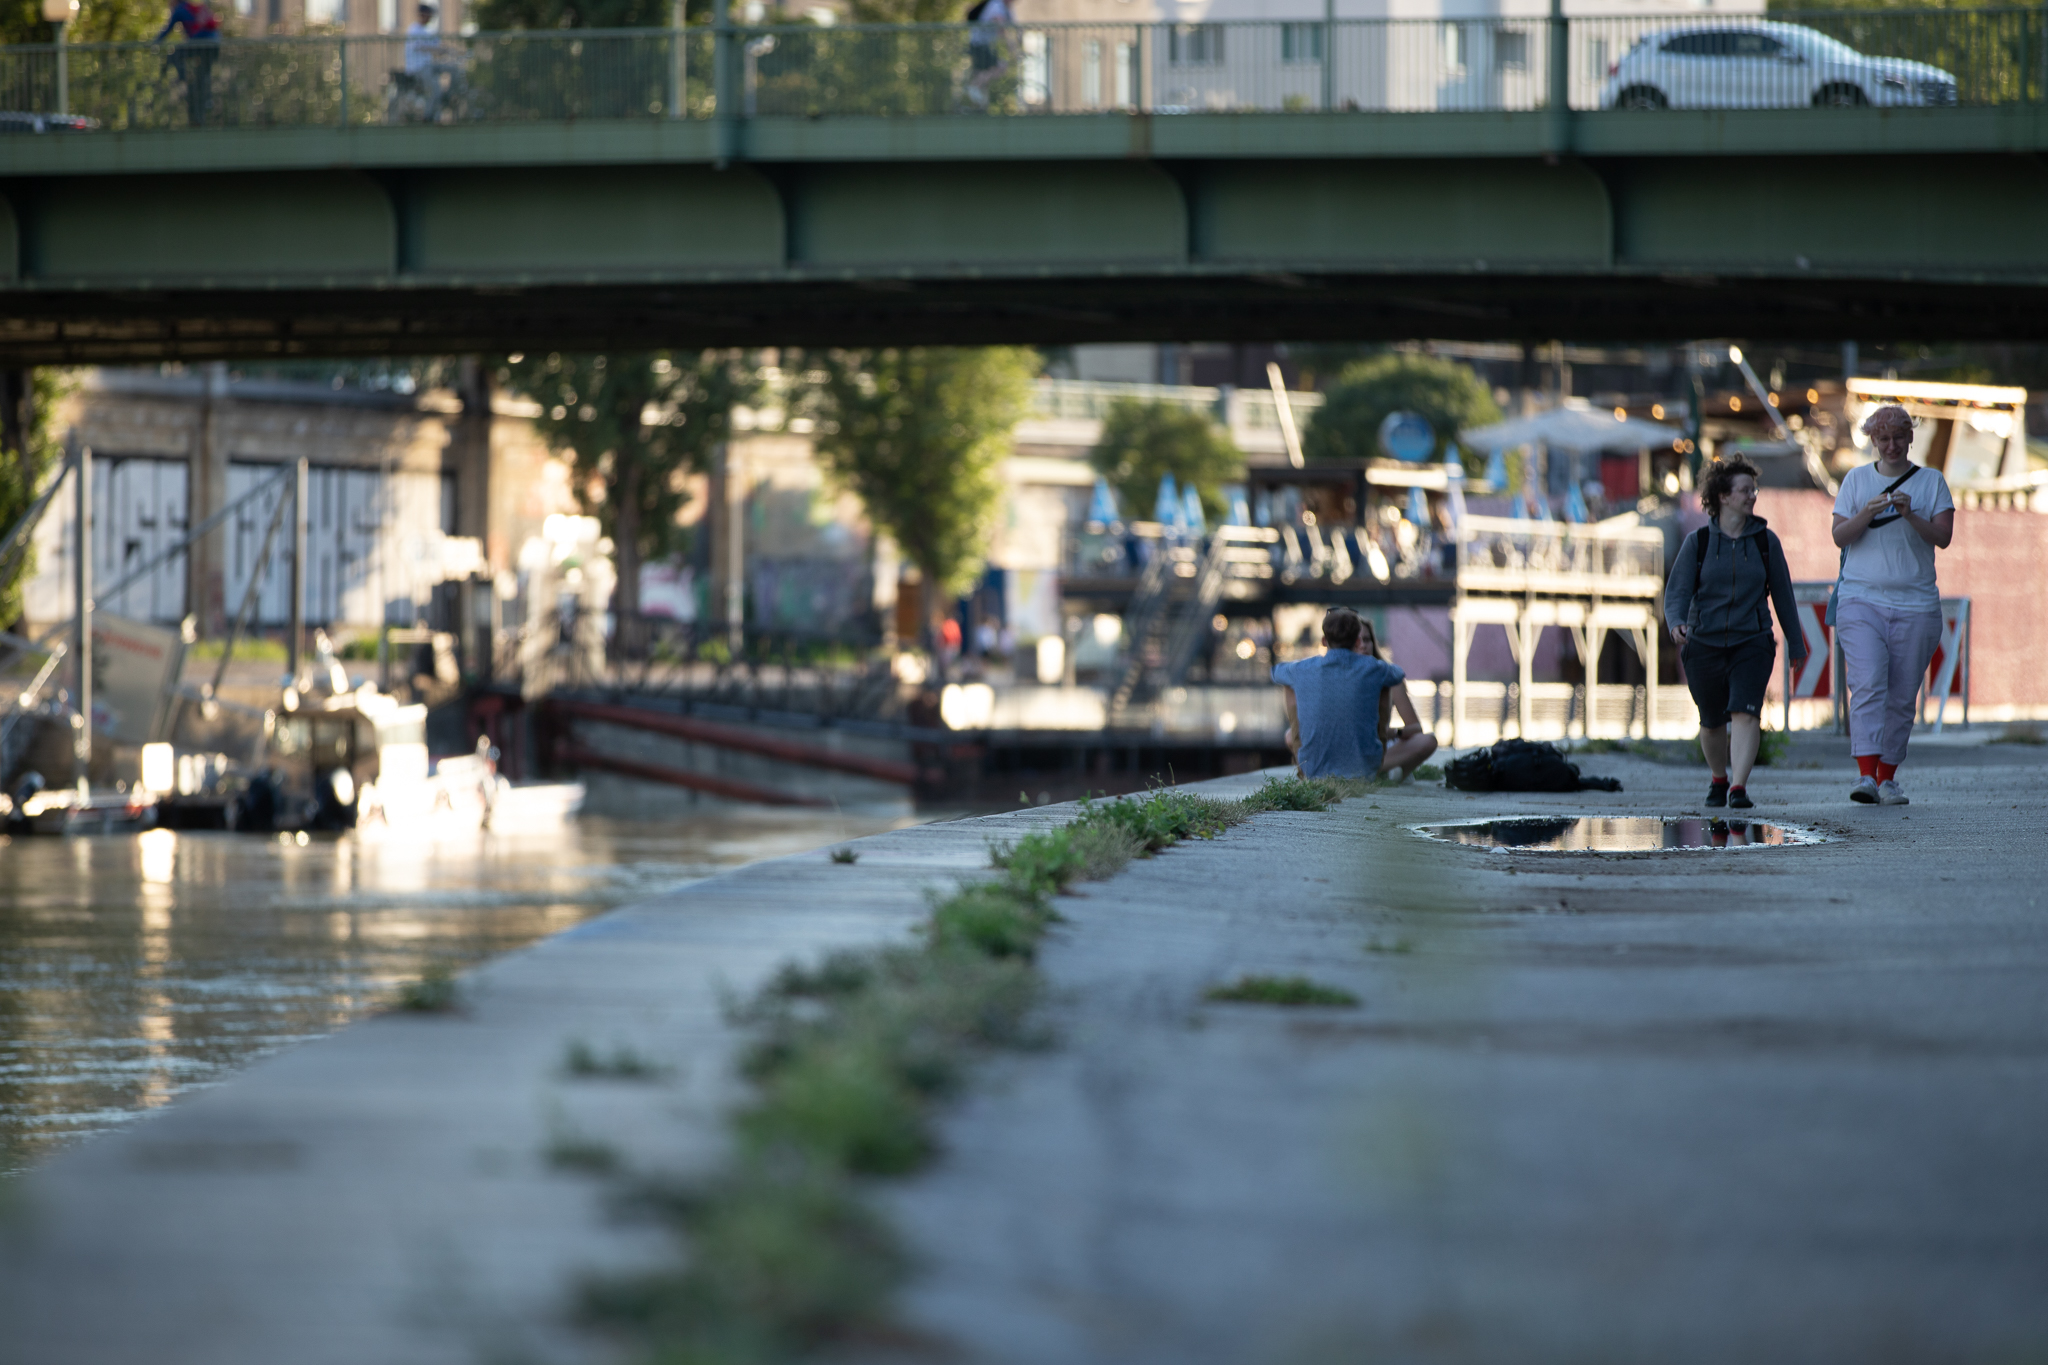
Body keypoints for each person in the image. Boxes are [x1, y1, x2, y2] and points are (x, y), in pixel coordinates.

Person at [1664, 455, 1807, 810]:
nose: (1752, 496)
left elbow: (1784, 595)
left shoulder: (1765, 542)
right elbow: (1678, 590)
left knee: (1746, 712)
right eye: (1745, 490)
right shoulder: (1697, 543)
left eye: (1753, 489)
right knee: (1712, 721)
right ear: (1723, 496)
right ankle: (1719, 778)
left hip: (1752, 641)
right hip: (1704, 643)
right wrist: (1676, 621)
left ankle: (1739, 787)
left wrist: (1796, 643)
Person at [1830, 404, 1955, 806]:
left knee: (1902, 694)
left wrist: (1910, 514)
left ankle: (1888, 778)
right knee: (1867, 683)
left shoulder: (1931, 482)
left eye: (1899, 437)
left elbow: (1942, 537)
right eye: (1883, 438)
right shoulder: (1855, 480)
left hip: (1916, 602)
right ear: (1872, 441)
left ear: (1910, 437)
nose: (1891, 445)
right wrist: (1867, 513)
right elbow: (1839, 536)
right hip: (1860, 598)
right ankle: (1865, 775)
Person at [1274, 606, 1438, 781]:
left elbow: (1415, 728)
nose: (1363, 644)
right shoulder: (1337, 674)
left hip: (1377, 742)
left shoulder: (1383, 673)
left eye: (1367, 639)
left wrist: (1392, 733)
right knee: (1290, 735)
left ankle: (1381, 770)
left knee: (1427, 740)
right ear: (1354, 642)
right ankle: (1382, 773)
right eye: (1359, 639)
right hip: (1343, 745)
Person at [155, 0, 221, 127]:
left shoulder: (180, 9)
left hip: (201, 42)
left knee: (174, 55)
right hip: (214, 44)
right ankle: (207, 101)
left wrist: (154, 43)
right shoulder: (193, 8)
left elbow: (167, 29)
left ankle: (183, 79)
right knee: (202, 76)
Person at [963, 0, 1013, 109]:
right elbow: (999, 24)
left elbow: (1014, 24)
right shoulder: (996, 5)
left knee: (984, 72)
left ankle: (976, 100)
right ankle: (973, 87)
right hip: (979, 44)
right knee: (1000, 66)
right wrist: (1009, 44)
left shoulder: (1007, 8)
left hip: (985, 45)